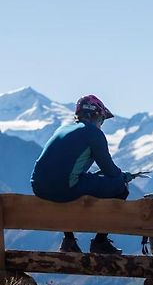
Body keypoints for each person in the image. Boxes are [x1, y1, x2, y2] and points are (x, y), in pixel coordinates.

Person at [31, 95, 135, 254]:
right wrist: (124, 176)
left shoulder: (62, 129)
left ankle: (69, 240)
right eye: (102, 119)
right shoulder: (94, 133)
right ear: (96, 115)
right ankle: (100, 242)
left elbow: (65, 167)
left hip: (38, 186)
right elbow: (111, 171)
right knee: (121, 187)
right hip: (65, 187)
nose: (102, 124)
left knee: (70, 185)